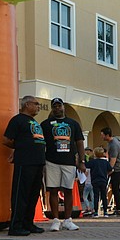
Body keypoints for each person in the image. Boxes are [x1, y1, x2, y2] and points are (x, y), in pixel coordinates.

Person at [2, 96, 47, 236]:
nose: (38, 106)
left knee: (33, 195)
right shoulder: (17, 120)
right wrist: (20, 147)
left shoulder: (34, 122)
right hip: (25, 162)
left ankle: (28, 223)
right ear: (27, 104)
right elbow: (6, 139)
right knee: (21, 194)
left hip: (38, 162)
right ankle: (15, 225)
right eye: (36, 104)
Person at [40, 97, 84, 232]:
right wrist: (42, 161)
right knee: (53, 190)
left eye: (59, 106)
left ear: (64, 107)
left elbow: (79, 142)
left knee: (68, 190)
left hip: (69, 162)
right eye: (55, 106)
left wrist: (81, 161)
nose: (57, 108)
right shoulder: (45, 124)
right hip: (51, 161)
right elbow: (41, 144)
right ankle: (55, 220)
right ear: (52, 108)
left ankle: (68, 220)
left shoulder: (73, 123)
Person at [100, 127, 120, 216]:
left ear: (107, 135)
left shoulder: (113, 144)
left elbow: (113, 160)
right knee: (115, 189)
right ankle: (119, 207)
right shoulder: (114, 141)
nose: (101, 137)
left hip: (116, 170)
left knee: (115, 189)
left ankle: (119, 208)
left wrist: (109, 170)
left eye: (102, 135)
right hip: (118, 168)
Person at [85, 146, 111, 217]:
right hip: (103, 180)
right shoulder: (105, 162)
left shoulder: (93, 162)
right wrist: (106, 174)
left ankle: (96, 212)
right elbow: (111, 169)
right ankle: (105, 212)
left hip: (95, 180)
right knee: (104, 196)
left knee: (96, 196)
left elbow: (86, 165)